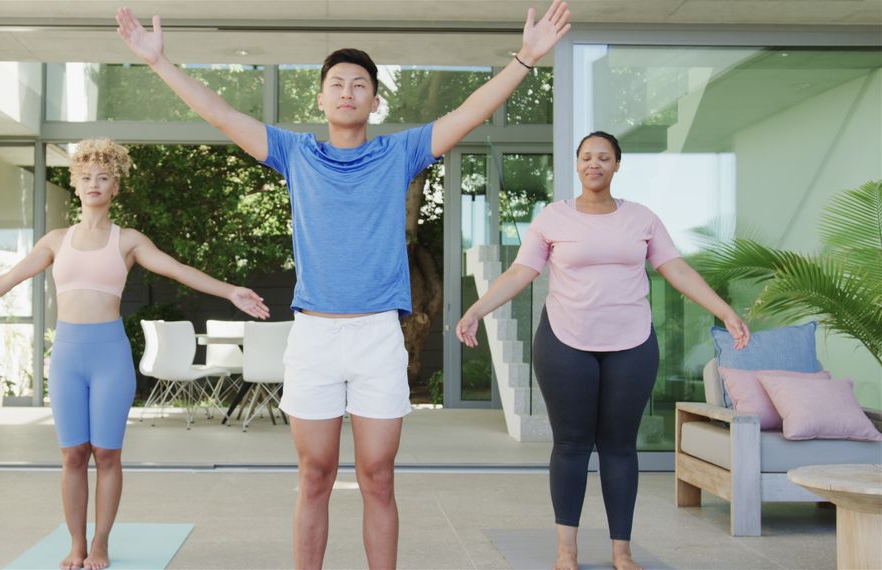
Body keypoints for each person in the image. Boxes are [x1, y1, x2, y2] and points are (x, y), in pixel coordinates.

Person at [116, 3, 570, 568]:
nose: (348, 92)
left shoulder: (399, 152)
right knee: (315, 476)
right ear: (322, 99)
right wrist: (160, 63)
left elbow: (471, 112)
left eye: (360, 85)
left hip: (379, 335)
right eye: (337, 84)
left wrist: (525, 58)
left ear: (375, 100)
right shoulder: (295, 153)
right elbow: (220, 113)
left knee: (378, 477)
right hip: (314, 338)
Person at [0, 138, 270, 570]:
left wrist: (230, 291)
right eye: (86, 177)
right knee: (73, 454)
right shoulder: (56, 240)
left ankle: (102, 542)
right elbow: (10, 278)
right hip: (69, 354)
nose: (94, 183)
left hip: (110, 354)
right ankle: (76, 544)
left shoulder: (127, 241)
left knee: (107, 453)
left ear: (114, 188)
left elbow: (176, 269)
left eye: (103, 177)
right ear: (75, 185)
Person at [456, 131, 750, 570]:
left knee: (619, 447)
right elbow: (521, 272)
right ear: (577, 165)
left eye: (604, 157)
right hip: (564, 342)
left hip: (631, 344)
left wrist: (724, 311)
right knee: (572, 444)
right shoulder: (553, 218)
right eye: (587, 157)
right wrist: (477, 309)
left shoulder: (642, 219)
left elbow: (677, 269)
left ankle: (622, 552)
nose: (595, 164)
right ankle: (566, 551)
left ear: (617, 165)